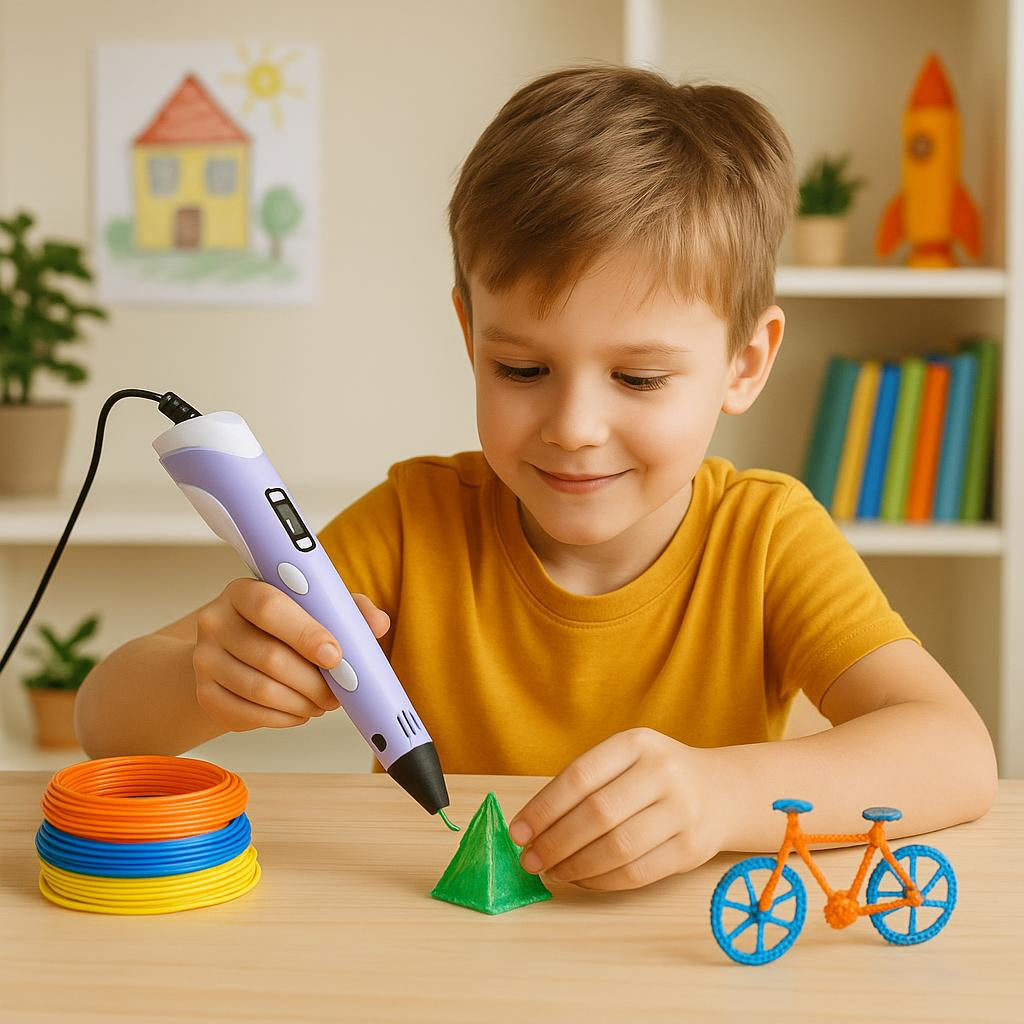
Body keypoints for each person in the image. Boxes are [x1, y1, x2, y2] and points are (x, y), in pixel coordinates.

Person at [76, 64, 997, 892]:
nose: (574, 428)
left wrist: (728, 794)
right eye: (522, 370)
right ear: (470, 336)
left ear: (745, 364)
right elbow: (103, 726)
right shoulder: (413, 521)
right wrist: (206, 677)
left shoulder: (767, 537)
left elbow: (955, 755)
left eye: (638, 377)